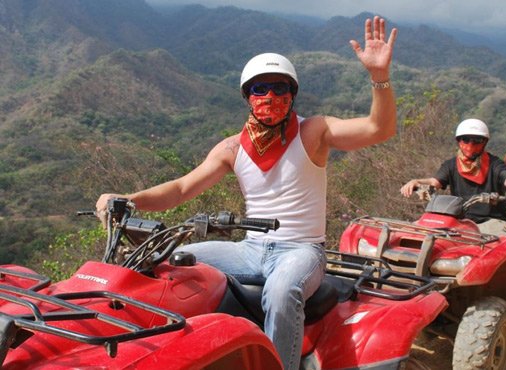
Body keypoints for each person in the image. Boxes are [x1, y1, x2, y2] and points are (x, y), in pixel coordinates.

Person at [96, 16, 397, 370]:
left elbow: (379, 128)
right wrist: (128, 199)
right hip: (250, 250)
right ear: (247, 96)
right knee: (167, 265)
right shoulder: (233, 148)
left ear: (292, 94)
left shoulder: (314, 132)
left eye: (279, 88)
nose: (270, 97)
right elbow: (179, 189)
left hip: (301, 250)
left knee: (283, 293)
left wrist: (379, 76)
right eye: (260, 89)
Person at [400, 118, 506, 235]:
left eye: (476, 140)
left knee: (499, 248)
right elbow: (435, 182)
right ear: (459, 141)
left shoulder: (495, 164)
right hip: (459, 220)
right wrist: (416, 181)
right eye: (465, 140)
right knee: (418, 233)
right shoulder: (451, 165)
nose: (470, 145)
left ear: (484, 142)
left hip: (492, 221)